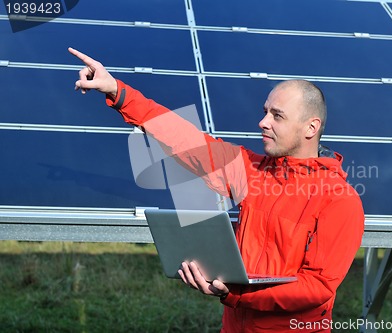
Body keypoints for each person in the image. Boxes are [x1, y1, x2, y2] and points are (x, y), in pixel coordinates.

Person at [68, 47, 365, 333]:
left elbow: (317, 288)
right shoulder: (251, 170)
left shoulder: (339, 201)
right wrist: (118, 92)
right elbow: (186, 140)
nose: (262, 122)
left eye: (277, 115)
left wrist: (236, 293)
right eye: (265, 112)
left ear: (310, 128)